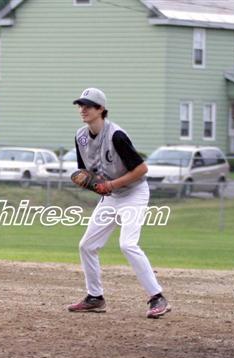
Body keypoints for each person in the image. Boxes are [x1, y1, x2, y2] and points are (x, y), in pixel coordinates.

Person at [68, 88, 170, 318]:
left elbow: (142, 169)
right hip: (111, 197)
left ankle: (157, 297)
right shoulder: (81, 136)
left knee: (127, 244)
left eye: (88, 105)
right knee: (87, 245)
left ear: (101, 109)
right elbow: (86, 171)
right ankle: (95, 298)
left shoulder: (116, 135)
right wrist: (90, 182)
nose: (83, 109)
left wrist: (111, 185)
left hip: (133, 193)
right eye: (81, 105)